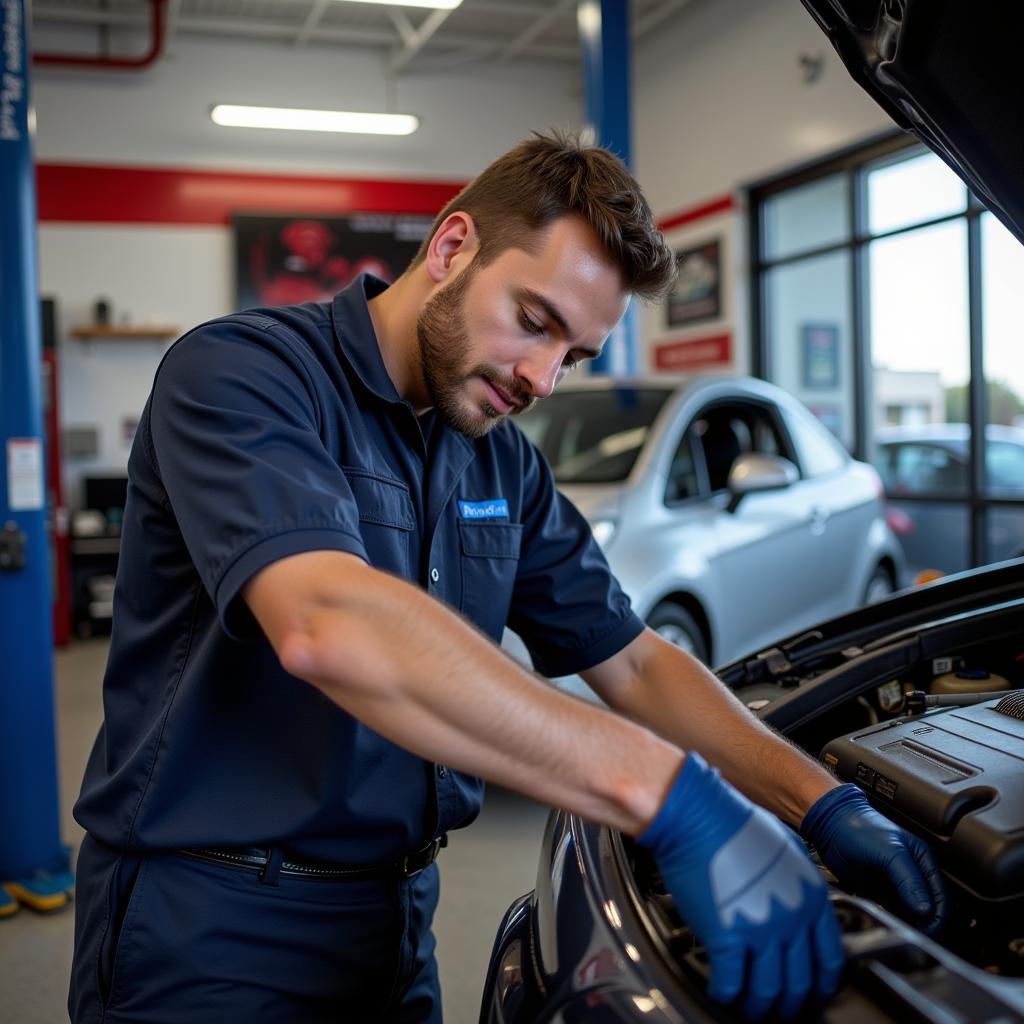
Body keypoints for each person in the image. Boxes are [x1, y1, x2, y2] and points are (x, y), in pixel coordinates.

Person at [69, 132, 944, 1024]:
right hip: (214, 927)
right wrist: (665, 792)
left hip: (398, 922)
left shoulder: (501, 466)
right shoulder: (244, 374)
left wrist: (821, 802)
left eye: (575, 354)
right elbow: (324, 621)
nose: (541, 377)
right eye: (534, 321)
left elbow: (634, 661)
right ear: (452, 249)